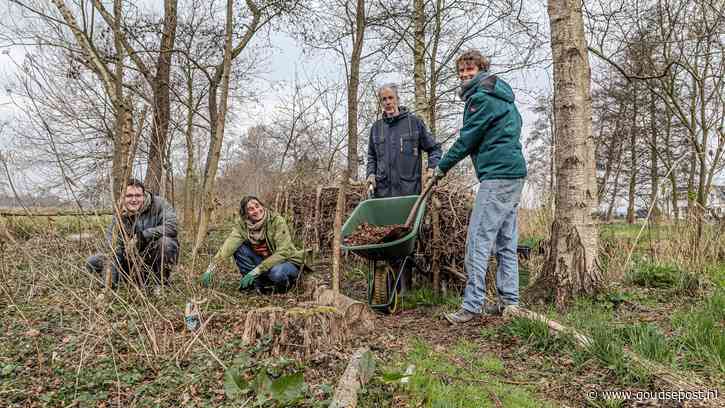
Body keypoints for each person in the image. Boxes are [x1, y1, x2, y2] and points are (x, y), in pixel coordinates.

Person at [432, 50, 527, 324]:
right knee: (506, 241)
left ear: (481, 69)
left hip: (497, 175)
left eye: (469, 70)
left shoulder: (481, 98)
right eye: (461, 71)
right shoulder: (502, 96)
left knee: (477, 240)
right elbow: (516, 125)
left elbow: (466, 140)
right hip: (515, 173)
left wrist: (441, 168)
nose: (464, 75)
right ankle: (509, 302)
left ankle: (472, 305)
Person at [86, 178, 179, 291]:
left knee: (166, 242)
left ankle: (160, 284)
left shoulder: (159, 204)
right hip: (130, 260)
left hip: (153, 257)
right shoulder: (120, 214)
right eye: (129, 196)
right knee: (92, 262)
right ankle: (124, 281)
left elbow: (171, 227)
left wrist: (143, 236)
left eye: (138, 195)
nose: (134, 199)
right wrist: (108, 286)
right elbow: (112, 248)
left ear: (143, 195)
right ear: (122, 197)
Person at [201, 196, 304, 293]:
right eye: (251, 209)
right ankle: (256, 284)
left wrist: (255, 271)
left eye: (257, 205)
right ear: (246, 214)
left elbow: (284, 252)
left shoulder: (276, 221)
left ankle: (283, 288)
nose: (256, 210)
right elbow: (227, 247)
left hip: (286, 262)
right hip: (264, 263)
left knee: (277, 273)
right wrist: (211, 268)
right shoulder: (243, 226)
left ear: (262, 206)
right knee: (239, 248)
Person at [366, 83, 442, 198]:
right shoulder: (376, 128)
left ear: (397, 98)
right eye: (384, 99)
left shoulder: (414, 123)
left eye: (391, 98)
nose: (387, 102)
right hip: (383, 195)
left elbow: (434, 149)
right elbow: (372, 156)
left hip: (409, 193)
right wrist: (370, 174)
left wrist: (431, 168)